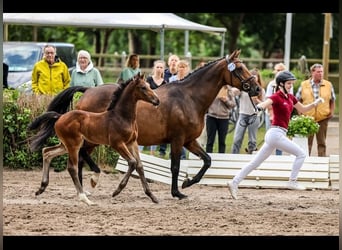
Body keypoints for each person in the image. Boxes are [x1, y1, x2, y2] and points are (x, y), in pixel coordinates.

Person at [227, 71, 324, 199]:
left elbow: (303, 109)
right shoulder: (276, 96)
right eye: (289, 83)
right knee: (301, 154)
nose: (291, 86)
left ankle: (234, 182)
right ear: (281, 84)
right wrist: (259, 108)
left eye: (291, 83)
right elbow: (265, 104)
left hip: (276, 135)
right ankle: (292, 181)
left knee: (255, 163)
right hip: (275, 134)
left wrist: (315, 103)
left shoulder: (290, 97)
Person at [295, 63, 336, 157]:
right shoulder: (304, 84)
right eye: (318, 72)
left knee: (322, 142)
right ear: (312, 72)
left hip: (323, 117)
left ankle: (322, 160)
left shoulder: (328, 84)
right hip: (307, 118)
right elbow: (297, 100)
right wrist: (300, 112)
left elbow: (332, 100)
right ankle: (305, 160)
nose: (321, 74)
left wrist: (331, 112)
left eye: (322, 72)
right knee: (307, 143)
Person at [231, 68, 265, 154]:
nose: (253, 78)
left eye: (255, 76)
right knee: (237, 139)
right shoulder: (244, 88)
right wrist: (238, 87)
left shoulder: (260, 90)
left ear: (258, 78)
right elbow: (234, 92)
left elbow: (264, 105)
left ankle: (251, 158)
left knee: (252, 141)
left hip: (254, 116)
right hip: (243, 115)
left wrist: (256, 100)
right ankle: (234, 156)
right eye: (251, 76)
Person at [168, 59, 190, 159]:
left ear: (187, 69)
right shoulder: (172, 80)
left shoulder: (189, 80)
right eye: (180, 67)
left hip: (185, 109)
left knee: (184, 134)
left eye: (183, 67)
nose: (181, 69)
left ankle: (183, 156)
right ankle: (172, 154)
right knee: (174, 133)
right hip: (174, 109)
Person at [158, 54, 179, 158]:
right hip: (165, 104)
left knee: (175, 129)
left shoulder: (181, 75)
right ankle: (162, 151)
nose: (174, 62)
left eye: (176, 60)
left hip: (177, 106)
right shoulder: (164, 74)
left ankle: (173, 152)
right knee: (164, 127)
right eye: (172, 60)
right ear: (168, 62)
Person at [206, 85, 236, 153]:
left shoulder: (229, 90)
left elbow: (233, 104)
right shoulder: (213, 87)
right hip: (211, 117)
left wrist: (226, 101)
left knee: (222, 141)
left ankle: (221, 157)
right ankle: (208, 157)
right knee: (210, 141)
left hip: (224, 118)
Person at [145, 59, 167, 155]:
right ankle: (139, 151)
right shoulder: (149, 79)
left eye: (161, 67)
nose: (159, 69)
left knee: (155, 129)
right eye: (157, 67)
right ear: (154, 68)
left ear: (163, 70)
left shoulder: (165, 82)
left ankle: (152, 152)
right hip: (148, 107)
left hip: (159, 108)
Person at [265, 62, 287, 155]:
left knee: (280, 137)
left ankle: (279, 157)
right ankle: (266, 156)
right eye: (276, 70)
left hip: (282, 115)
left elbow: (289, 100)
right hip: (270, 113)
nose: (277, 72)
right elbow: (268, 100)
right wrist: (271, 115)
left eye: (279, 70)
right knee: (269, 136)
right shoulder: (271, 84)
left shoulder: (288, 84)